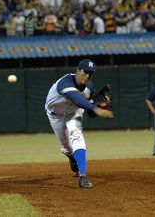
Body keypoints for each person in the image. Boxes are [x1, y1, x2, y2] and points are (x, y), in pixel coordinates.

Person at [45, 59, 114, 188]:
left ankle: (82, 176)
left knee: (77, 137)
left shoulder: (89, 87)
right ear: (78, 71)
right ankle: (71, 156)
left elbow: (89, 110)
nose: (87, 76)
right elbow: (77, 99)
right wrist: (96, 108)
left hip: (74, 112)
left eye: (91, 73)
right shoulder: (65, 82)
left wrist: (101, 104)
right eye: (85, 72)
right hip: (56, 116)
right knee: (67, 148)